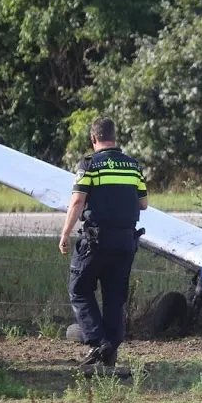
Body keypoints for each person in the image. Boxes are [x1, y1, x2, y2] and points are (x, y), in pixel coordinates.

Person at [59, 117, 147, 369]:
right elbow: (143, 203)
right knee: (114, 297)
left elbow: (77, 201)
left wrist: (65, 233)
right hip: (125, 241)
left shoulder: (89, 164)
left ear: (93, 138)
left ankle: (97, 342)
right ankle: (110, 353)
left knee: (79, 288)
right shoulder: (132, 166)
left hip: (96, 241)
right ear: (114, 136)